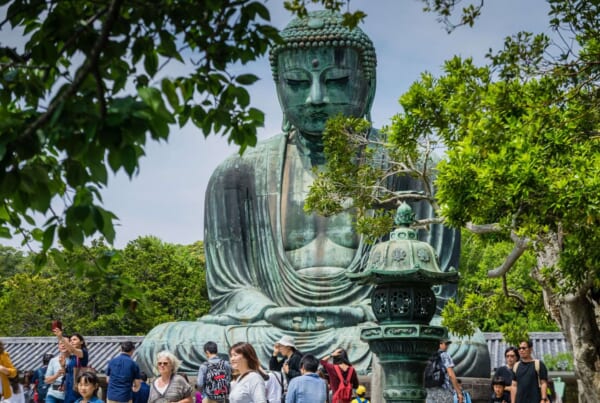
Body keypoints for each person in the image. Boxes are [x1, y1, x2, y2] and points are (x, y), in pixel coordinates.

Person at [136, 9, 492, 378]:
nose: (315, 97)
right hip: (269, 327)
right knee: (164, 342)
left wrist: (368, 310)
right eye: (297, 82)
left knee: (467, 347)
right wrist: (264, 309)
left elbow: (437, 297)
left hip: (368, 327)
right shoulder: (237, 174)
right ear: (278, 86)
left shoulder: (413, 171)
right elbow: (230, 290)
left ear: (366, 84)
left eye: (336, 80)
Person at [53, 329, 89, 403]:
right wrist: (63, 366)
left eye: (75, 339)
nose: (72, 341)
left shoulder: (83, 353)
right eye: (71, 340)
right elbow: (66, 373)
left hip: (77, 388)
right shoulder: (73, 357)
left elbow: (72, 350)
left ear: (81, 342)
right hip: (69, 388)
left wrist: (60, 337)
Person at [425, 339, 463, 403]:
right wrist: (459, 393)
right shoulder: (445, 355)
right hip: (444, 392)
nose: (447, 346)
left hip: (429, 392)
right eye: (445, 344)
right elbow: (451, 375)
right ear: (439, 344)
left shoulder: (427, 355)